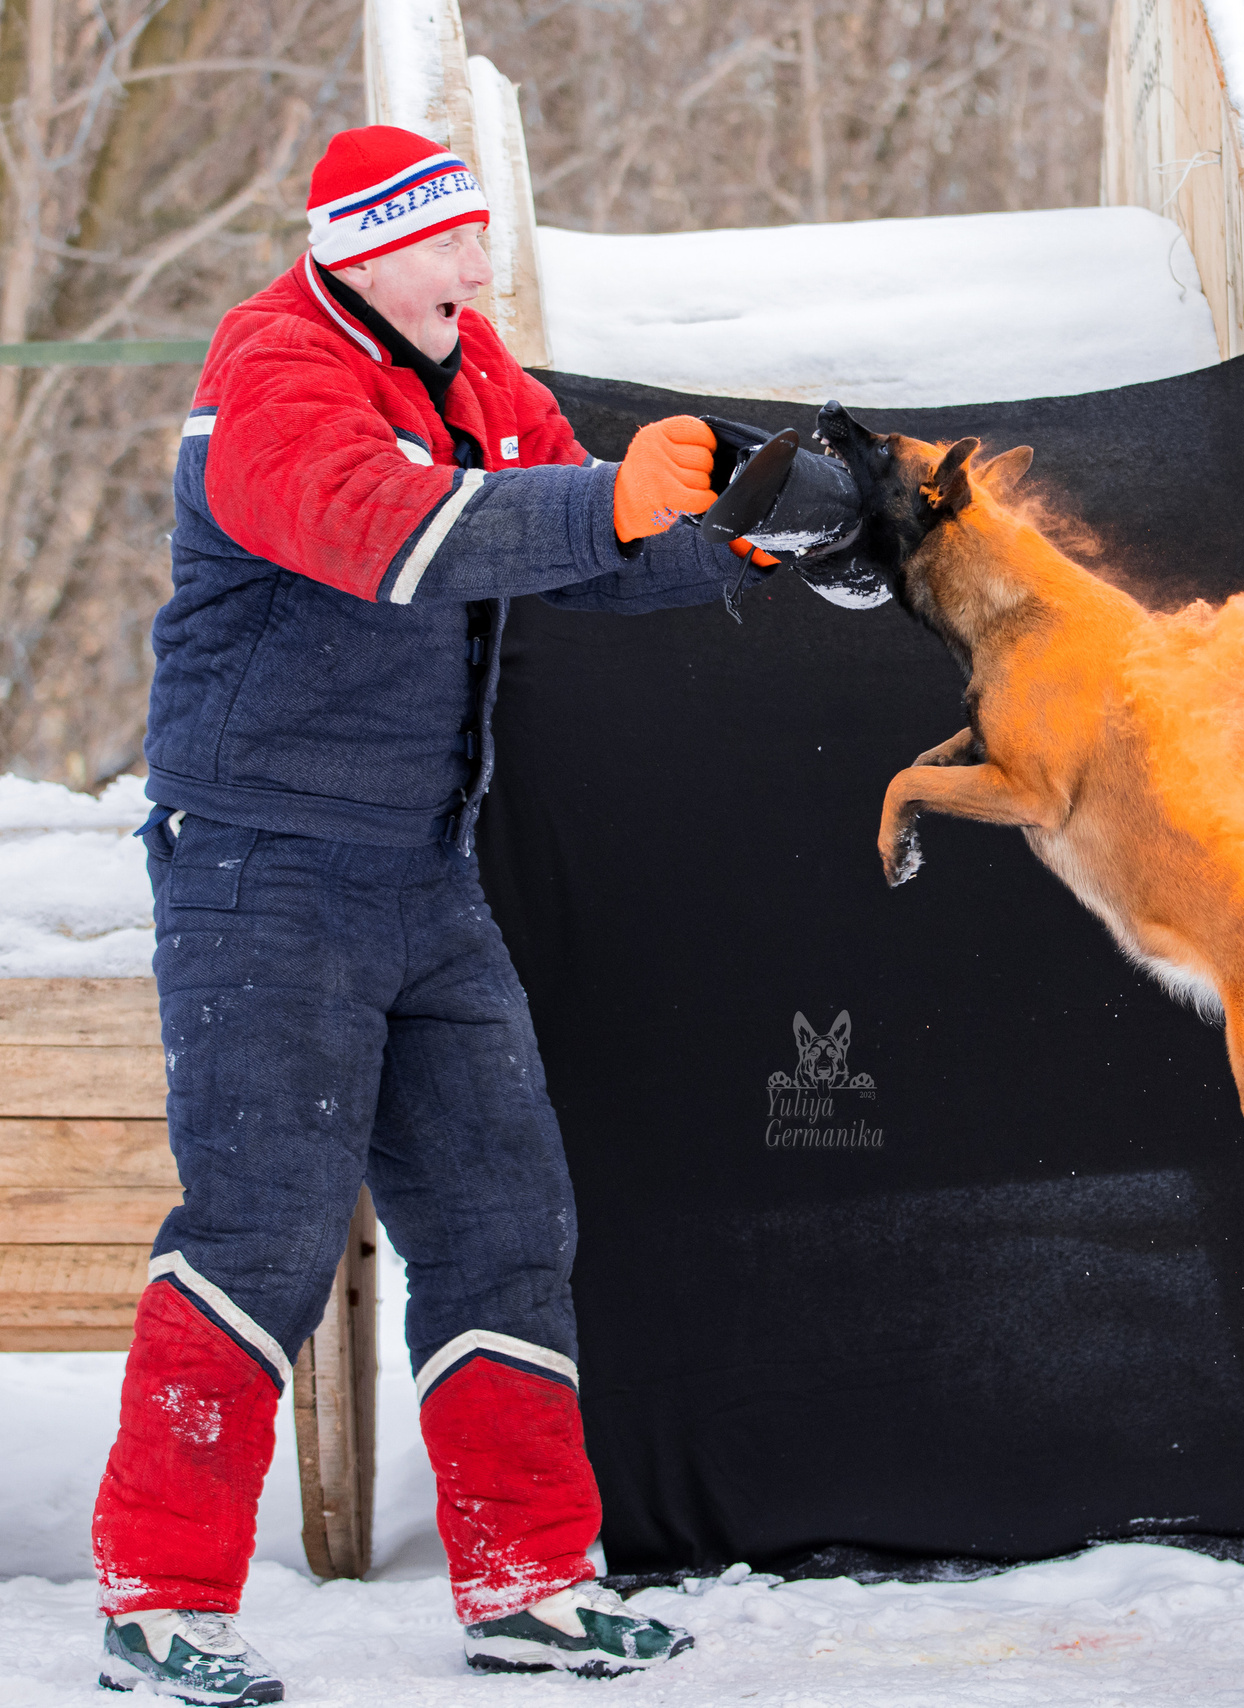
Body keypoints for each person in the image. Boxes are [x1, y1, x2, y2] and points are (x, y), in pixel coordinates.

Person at [90, 125, 830, 1704]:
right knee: (264, 1233)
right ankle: (157, 1601)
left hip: (426, 870)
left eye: (477, 240)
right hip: (262, 869)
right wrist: (604, 506)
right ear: (361, 246)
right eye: (447, 243)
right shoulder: (271, 376)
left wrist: (744, 543)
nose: (475, 270)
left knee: (506, 1227)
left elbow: (574, 548)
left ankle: (530, 1588)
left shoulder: (474, 365)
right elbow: (398, 538)